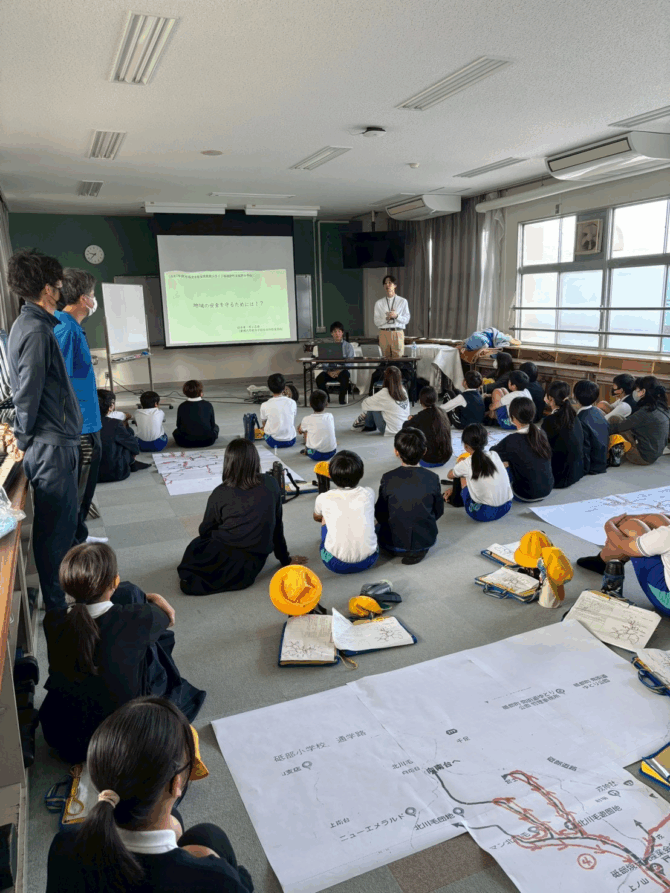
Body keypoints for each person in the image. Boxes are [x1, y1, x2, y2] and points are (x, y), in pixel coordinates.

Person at [45, 697, 254, 893]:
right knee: (209, 835)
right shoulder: (215, 879)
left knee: (178, 821)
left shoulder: (64, 845)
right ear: (177, 783)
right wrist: (219, 866)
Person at [40, 543, 205, 765]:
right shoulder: (138, 618)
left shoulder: (53, 621)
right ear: (114, 582)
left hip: (67, 737)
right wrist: (152, 597)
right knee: (153, 640)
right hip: (122, 739)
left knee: (131, 602)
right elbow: (169, 618)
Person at [6, 249, 83, 611]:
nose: (62, 288)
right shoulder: (36, 330)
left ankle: (66, 592)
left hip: (55, 443)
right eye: (58, 284)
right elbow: (27, 395)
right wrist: (21, 440)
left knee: (64, 524)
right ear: (49, 290)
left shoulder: (31, 324)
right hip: (50, 447)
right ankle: (57, 606)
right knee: (55, 532)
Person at [178, 439, 306, 595]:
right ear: (255, 460)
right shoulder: (271, 483)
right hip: (251, 566)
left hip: (228, 551)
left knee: (196, 546)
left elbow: (205, 529)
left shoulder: (220, 493)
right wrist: (285, 559)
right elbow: (277, 526)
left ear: (228, 463)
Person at [54, 268, 105, 546]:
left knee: (84, 492)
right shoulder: (65, 329)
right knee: (80, 491)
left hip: (86, 422)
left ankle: (80, 536)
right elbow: (57, 383)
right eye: (94, 294)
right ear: (85, 299)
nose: (95, 300)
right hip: (79, 427)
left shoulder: (70, 327)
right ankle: (76, 548)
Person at [577, 513, 670, 616]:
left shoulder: (667, 535)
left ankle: (602, 561)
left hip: (667, 602)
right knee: (656, 519)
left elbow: (624, 545)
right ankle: (604, 560)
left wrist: (610, 524)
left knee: (633, 527)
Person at [375, 429, 444, 564]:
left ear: (396, 451)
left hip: (392, 544)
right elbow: (438, 511)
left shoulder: (388, 478)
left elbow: (380, 513)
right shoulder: (433, 478)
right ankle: (418, 550)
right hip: (426, 540)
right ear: (424, 451)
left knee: (375, 528)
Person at [313, 450, 378, 574]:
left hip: (335, 564)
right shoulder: (369, 492)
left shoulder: (324, 497)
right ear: (361, 474)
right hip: (370, 560)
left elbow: (316, 517)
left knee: (325, 516)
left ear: (330, 476)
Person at [444, 423, 513, 521]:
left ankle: (456, 499)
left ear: (466, 446)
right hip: (507, 506)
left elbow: (449, 475)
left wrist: (459, 464)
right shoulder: (494, 454)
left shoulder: (467, 463)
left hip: (484, 513)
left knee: (463, 475)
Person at [491, 396, 554, 502]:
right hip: (547, 490)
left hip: (524, 494)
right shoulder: (541, 433)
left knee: (501, 463)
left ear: (512, 417)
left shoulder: (511, 440)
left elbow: (492, 453)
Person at [607, 376, 670, 465]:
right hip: (655, 454)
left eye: (636, 390)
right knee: (617, 418)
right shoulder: (663, 408)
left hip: (642, 457)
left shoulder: (645, 412)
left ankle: (608, 454)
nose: (635, 393)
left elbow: (619, 427)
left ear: (643, 392)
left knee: (614, 422)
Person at [97, 389, 150, 482]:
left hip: (89, 475)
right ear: (110, 407)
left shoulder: (80, 423)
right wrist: (134, 452)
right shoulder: (114, 423)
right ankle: (133, 463)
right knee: (127, 438)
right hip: (116, 473)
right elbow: (133, 445)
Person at [541, 380, 585, 489]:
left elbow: (541, 447)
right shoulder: (573, 415)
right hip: (577, 472)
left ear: (550, 398)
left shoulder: (550, 420)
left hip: (559, 477)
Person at [402, 386, 452, 467]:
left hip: (428, 461)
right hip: (446, 458)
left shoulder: (421, 416)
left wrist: (410, 420)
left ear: (421, 401)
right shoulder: (442, 412)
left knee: (411, 434)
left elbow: (405, 427)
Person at [353, 366, 410, 435]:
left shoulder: (384, 393)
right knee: (377, 404)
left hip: (389, 430)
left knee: (373, 405)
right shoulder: (403, 390)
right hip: (403, 427)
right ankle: (369, 424)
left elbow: (365, 404)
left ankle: (369, 425)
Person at [314, 321, 355, 404]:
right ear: (331, 334)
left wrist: (338, 371)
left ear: (342, 333)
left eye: (339, 331)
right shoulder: (327, 346)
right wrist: (328, 372)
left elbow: (350, 362)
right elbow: (324, 362)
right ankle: (326, 398)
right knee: (319, 379)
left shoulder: (348, 346)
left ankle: (341, 399)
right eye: (335, 332)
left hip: (342, 371)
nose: (337, 334)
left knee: (345, 376)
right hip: (330, 371)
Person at [574, 379, 608, 475]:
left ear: (575, 397)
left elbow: (583, 448)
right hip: (602, 460)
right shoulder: (598, 412)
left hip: (591, 466)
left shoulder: (580, 420)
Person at [173, 380, 219, 449]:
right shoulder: (208, 405)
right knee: (216, 427)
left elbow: (178, 425)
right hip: (207, 441)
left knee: (175, 432)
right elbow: (212, 424)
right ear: (201, 393)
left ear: (185, 393)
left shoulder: (182, 406)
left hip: (184, 442)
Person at [373, 275, 410, 358]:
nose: (387, 285)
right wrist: (386, 319)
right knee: (384, 359)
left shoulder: (402, 301)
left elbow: (406, 319)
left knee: (398, 359)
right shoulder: (379, 303)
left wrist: (396, 316)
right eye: (385, 283)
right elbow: (376, 321)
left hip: (397, 333)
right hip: (383, 333)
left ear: (395, 285)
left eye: (390, 283)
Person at [259, 373, 297, 448]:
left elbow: (264, 422)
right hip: (291, 440)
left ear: (270, 388)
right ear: (284, 387)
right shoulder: (292, 402)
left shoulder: (264, 405)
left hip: (273, 442)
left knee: (264, 427)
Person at [297, 389, 337, 460]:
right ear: (327, 404)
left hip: (315, 454)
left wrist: (300, 427)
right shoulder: (330, 416)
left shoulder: (307, 419)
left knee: (305, 429)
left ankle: (307, 450)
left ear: (310, 405)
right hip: (332, 452)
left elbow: (300, 431)